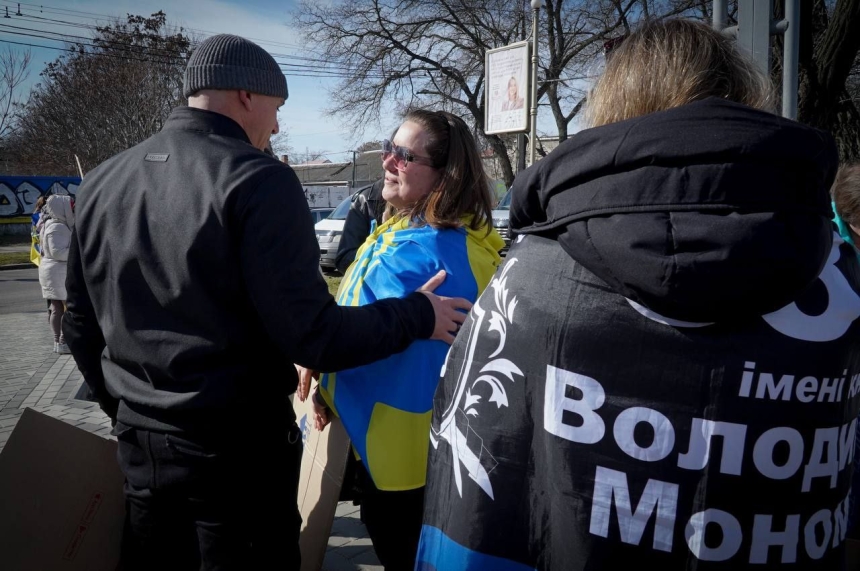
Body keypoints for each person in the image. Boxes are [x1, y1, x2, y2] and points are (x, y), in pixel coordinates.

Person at [419, 18, 859, 570]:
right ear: (746, 98)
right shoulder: (839, 277)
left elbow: (476, 493)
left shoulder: (532, 277)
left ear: (614, 103)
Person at [62, 34, 471, 571]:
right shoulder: (257, 180)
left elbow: (78, 323)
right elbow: (311, 334)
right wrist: (416, 314)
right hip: (234, 461)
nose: (276, 128)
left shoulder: (103, 181)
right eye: (276, 109)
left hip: (141, 451)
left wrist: (128, 408)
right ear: (246, 95)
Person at [305, 110, 503, 569]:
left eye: (404, 155)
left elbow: (362, 342)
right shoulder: (409, 228)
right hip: (399, 449)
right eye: (389, 148)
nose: (387, 161)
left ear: (444, 176)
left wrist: (327, 383)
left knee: (403, 549)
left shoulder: (432, 253)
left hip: (403, 459)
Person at [37, 194, 74, 354]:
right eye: (70, 206)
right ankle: (62, 341)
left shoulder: (49, 224)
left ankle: (58, 342)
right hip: (57, 271)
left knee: (56, 307)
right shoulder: (57, 226)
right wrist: (76, 253)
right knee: (63, 308)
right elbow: (57, 252)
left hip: (52, 270)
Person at [334, 177, 386, 274]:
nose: (388, 164)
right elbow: (344, 260)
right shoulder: (366, 199)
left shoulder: (422, 200)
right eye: (384, 160)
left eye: (405, 160)